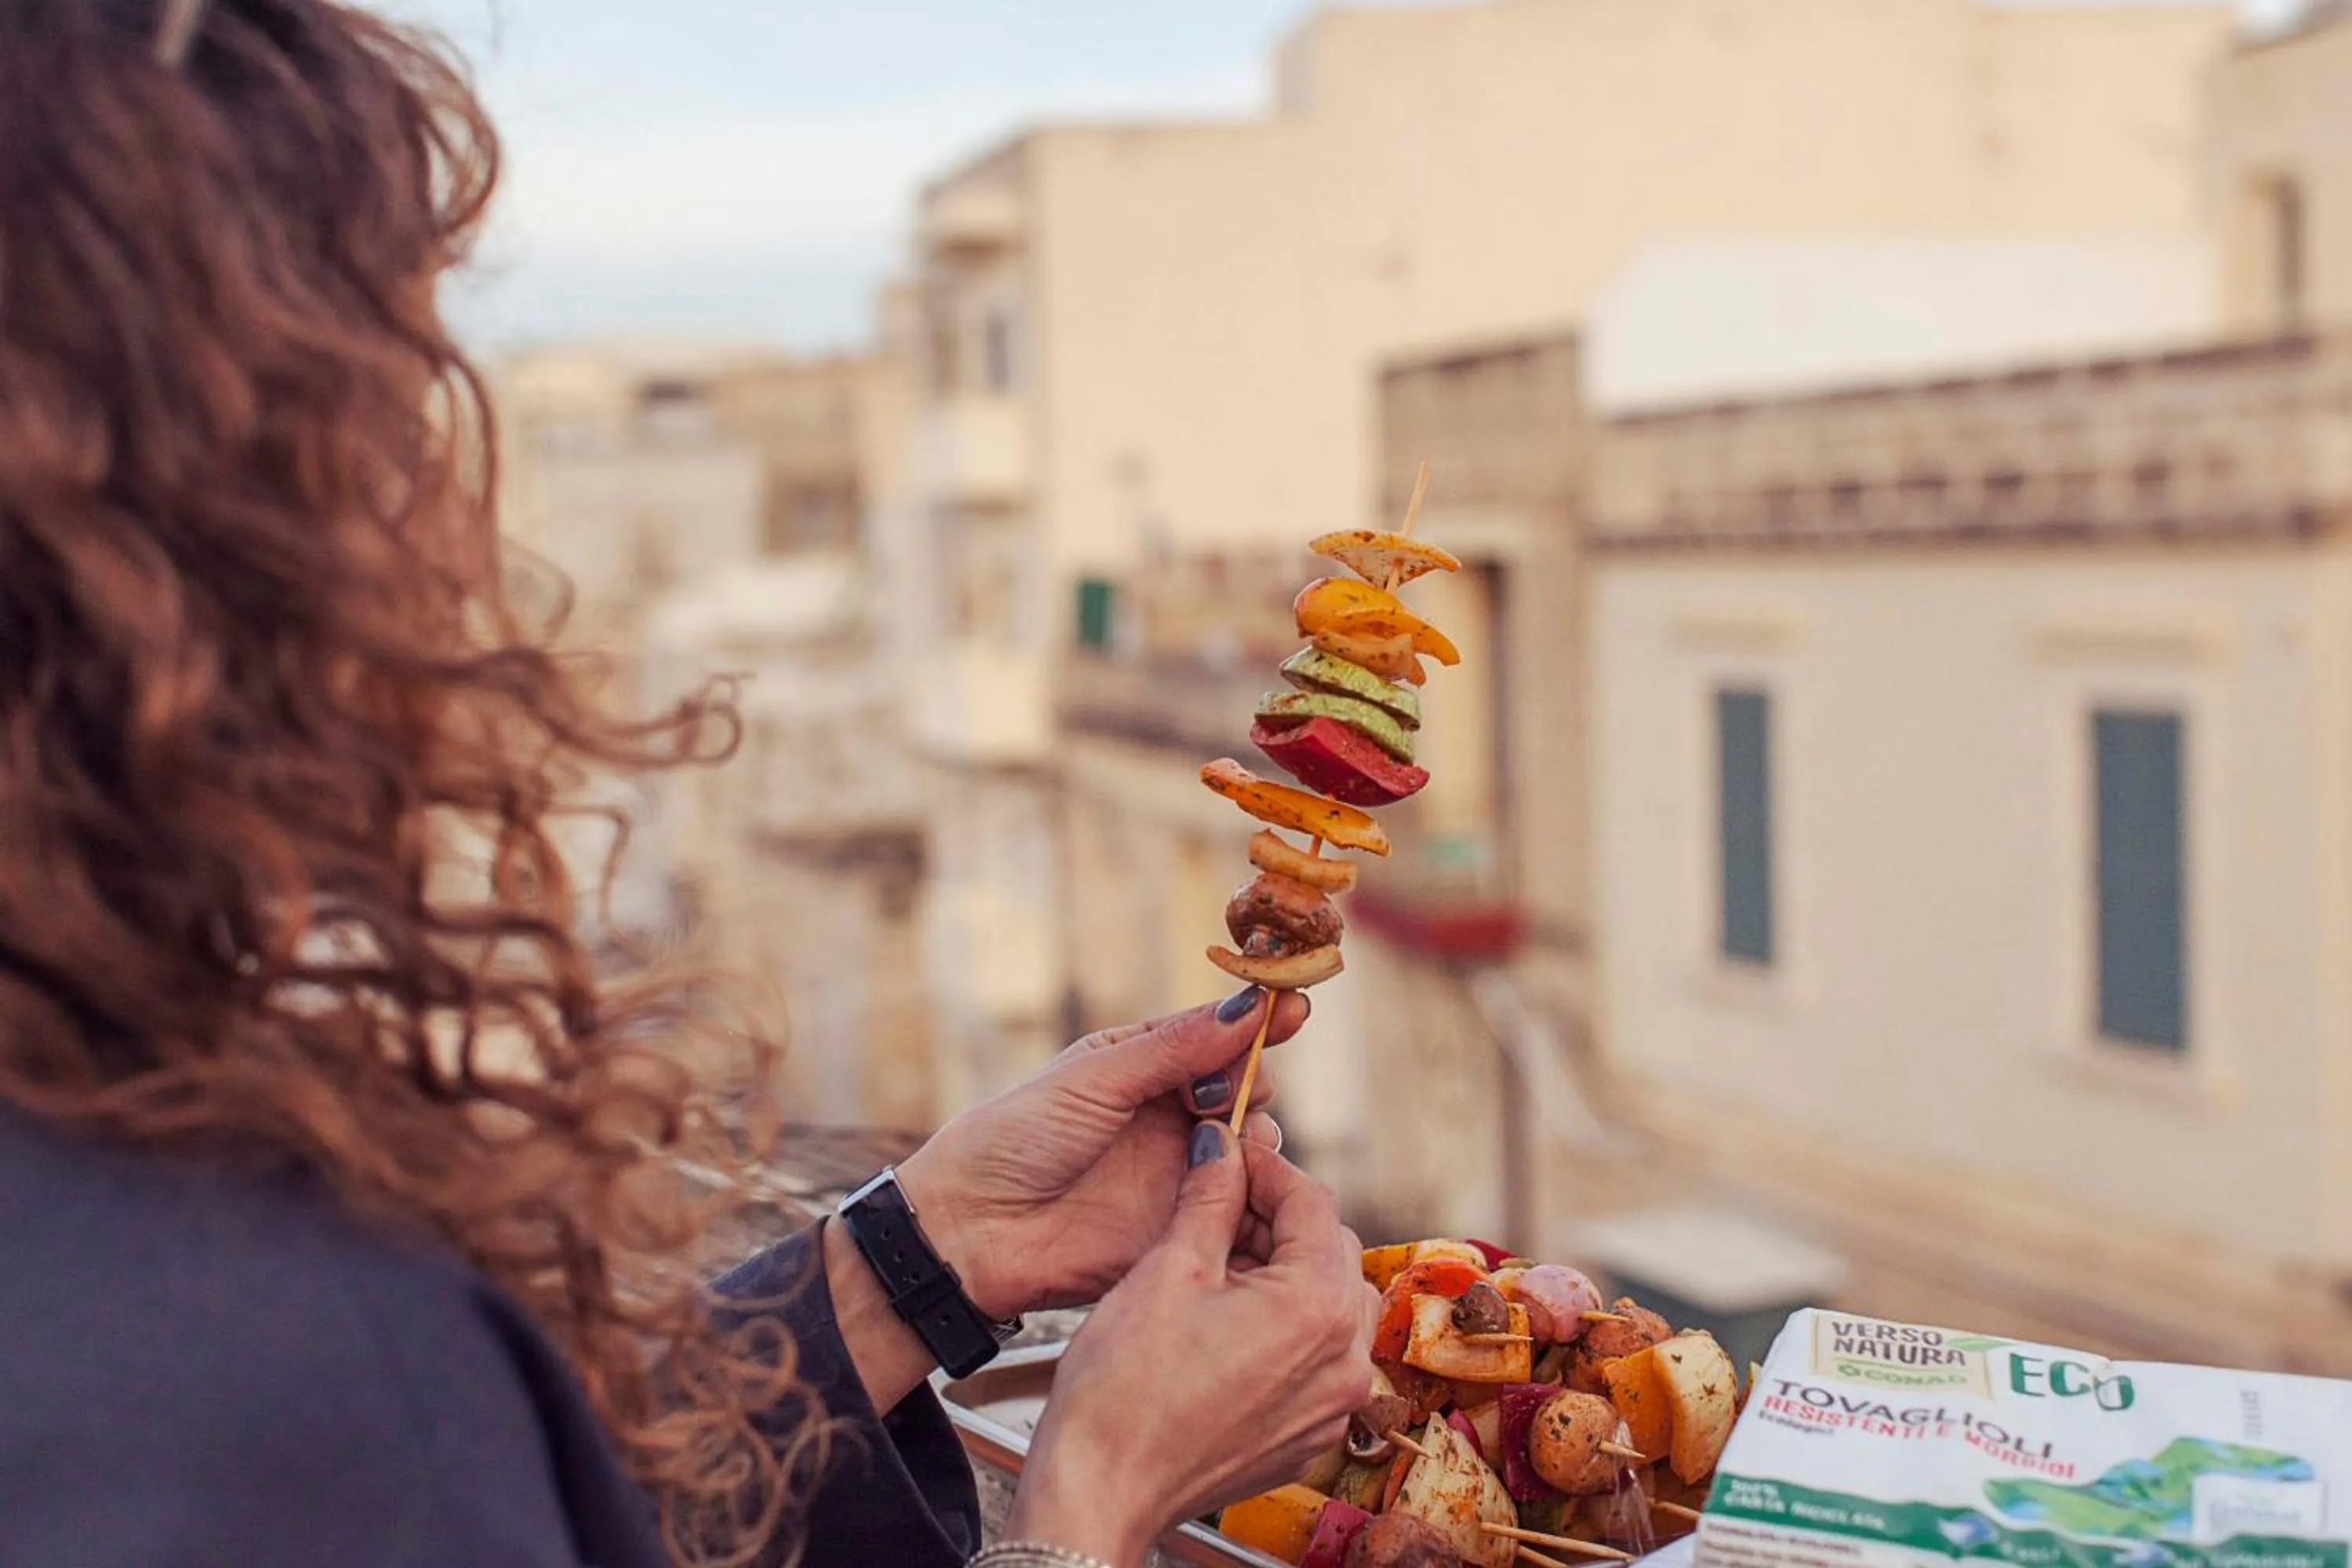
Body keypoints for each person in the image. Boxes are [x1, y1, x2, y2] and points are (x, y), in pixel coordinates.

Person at [0, 2, 1379, 1566]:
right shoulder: (266, 1350)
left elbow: (549, 1499)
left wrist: (909, 1264)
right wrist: (1093, 1501)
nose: (443, 524)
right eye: (385, 412)